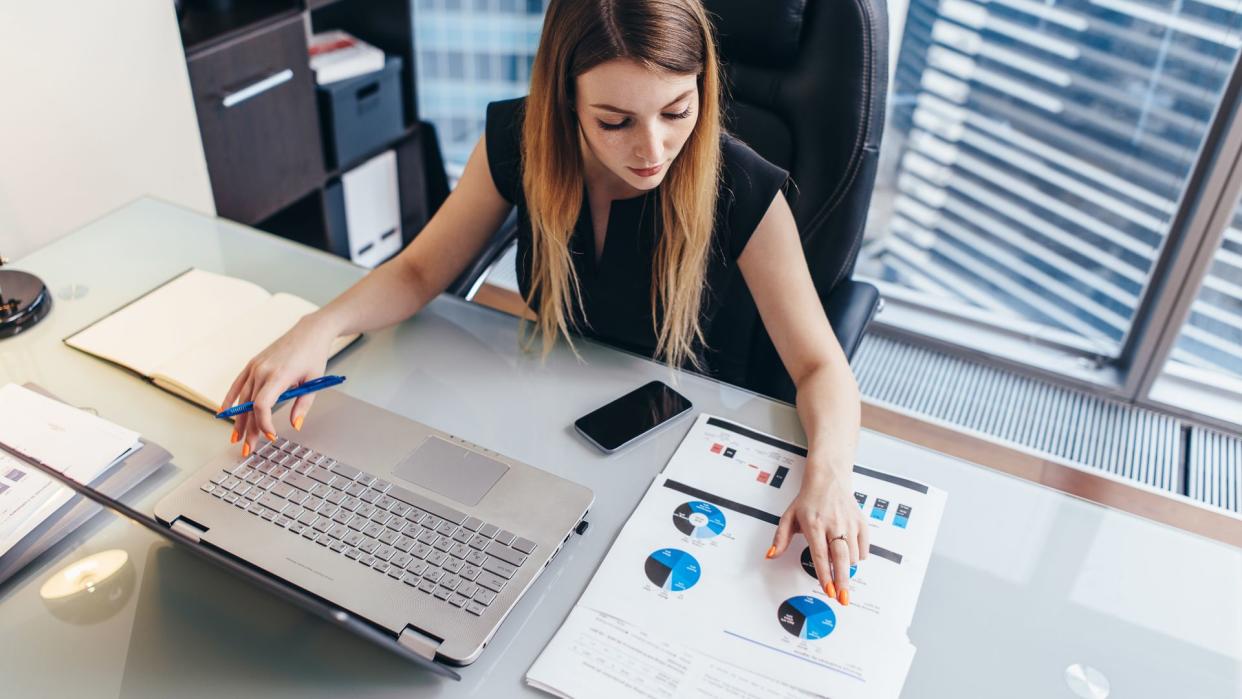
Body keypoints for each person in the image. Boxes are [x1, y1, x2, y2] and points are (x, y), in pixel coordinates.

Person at [222, 0, 868, 606]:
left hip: (676, 451)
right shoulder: (520, 139)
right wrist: (318, 327)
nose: (652, 150)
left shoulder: (742, 186)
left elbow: (820, 366)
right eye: (614, 121)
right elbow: (421, 268)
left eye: (677, 110)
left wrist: (831, 471)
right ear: (566, 99)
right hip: (552, 429)